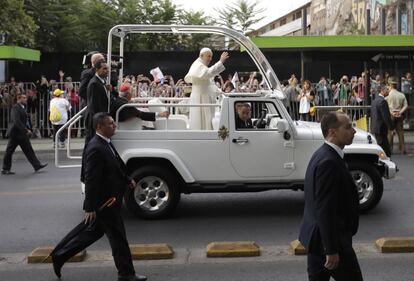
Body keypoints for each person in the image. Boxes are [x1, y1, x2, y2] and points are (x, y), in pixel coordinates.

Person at [52, 112, 147, 281]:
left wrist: (127, 179)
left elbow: (116, 164)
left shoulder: (105, 143)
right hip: (106, 203)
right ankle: (126, 274)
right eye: (110, 124)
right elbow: (91, 179)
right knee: (118, 239)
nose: (114, 125)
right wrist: (89, 207)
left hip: (111, 200)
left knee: (92, 233)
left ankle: (60, 255)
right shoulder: (95, 147)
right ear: (99, 127)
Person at [299, 111, 363, 281]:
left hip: (317, 239)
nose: (354, 131)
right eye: (348, 127)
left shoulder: (322, 153)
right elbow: (325, 209)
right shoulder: (329, 161)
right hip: (331, 242)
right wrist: (331, 250)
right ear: (333, 132)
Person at [2, 94, 47, 175]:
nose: (26, 99)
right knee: (9, 151)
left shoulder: (22, 108)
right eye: (24, 98)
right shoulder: (15, 108)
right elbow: (16, 121)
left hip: (21, 134)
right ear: (18, 99)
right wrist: (26, 130)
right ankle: (5, 168)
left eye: (26, 97)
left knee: (29, 150)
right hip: (15, 133)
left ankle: (37, 165)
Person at [184, 47, 229, 130]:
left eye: (211, 57)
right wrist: (220, 62)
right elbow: (208, 73)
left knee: (208, 122)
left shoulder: (202, 66)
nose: (210, 59)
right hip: (201, 99)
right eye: (208, 56)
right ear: (201, 55)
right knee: (202, 124)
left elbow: (209, 84)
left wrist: (220, 92)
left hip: (206, 98)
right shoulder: (197, 65)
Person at [84, 60, 110, 144]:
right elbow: (94, 106)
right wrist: (99, 123)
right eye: (104, 69)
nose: (107, 71)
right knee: (91, 145)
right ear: (97, 70)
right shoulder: (94, 83)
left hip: (98, 120)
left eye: (107, 69)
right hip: (95, 121)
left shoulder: (101, 82)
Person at [386, 76, 408, 154]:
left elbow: (385, 106)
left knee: (390, 133)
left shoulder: (387, 95)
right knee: (400, 133)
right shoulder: (401, 95)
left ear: (390, 85)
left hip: (391, 115)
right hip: (399, 115)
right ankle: (403, 149)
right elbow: (406, 105)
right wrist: (400, 112)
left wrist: (392, 113)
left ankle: (389, 150)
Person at [370, 85, 394, 157]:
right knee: (385, 149)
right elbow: (386, 117)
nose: (388, 91)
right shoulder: (383, 101)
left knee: (381, 147)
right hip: (381, 128)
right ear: (382, 91)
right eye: (387, 89)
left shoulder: (375, 100)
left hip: (376, 127)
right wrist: (391, 128)